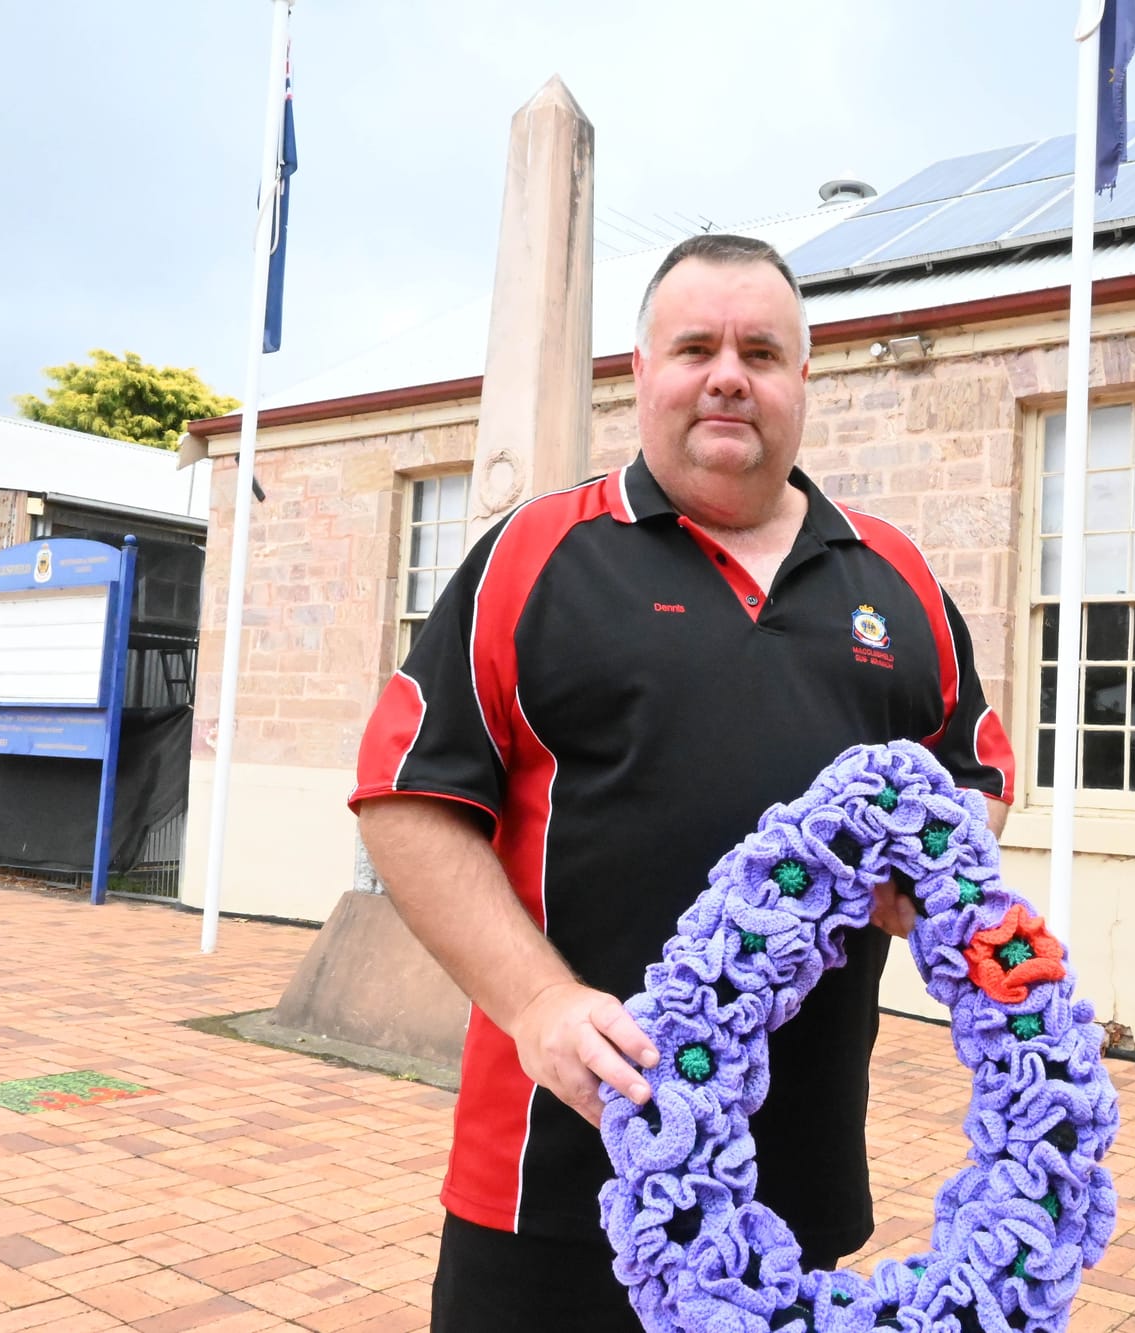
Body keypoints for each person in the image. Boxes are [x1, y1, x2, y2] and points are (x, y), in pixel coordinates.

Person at [351, 232, 1015, 1332]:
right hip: (553, 1183)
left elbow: (973, 772)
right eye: (693, 346)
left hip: (791, 1195)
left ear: (803, 379)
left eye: (760, 350)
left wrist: (931, 873)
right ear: (639, 373)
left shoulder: (893, 579)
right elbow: (406, 797)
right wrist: (536, 1002)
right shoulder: (536, 555)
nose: (726, 374)